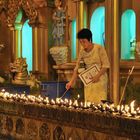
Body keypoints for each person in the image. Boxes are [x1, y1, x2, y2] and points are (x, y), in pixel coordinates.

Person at [66, 28, 110, 104]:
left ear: (89, 39)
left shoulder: (99, 48)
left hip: (100, 79)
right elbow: (77, 68)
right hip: (88, 80)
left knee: (100, 103)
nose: (82, 44)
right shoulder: (82, 52)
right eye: (80, 42)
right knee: (89, 103)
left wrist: (97, 76)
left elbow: (106, 65)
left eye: (84, 41)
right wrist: (71, 82)